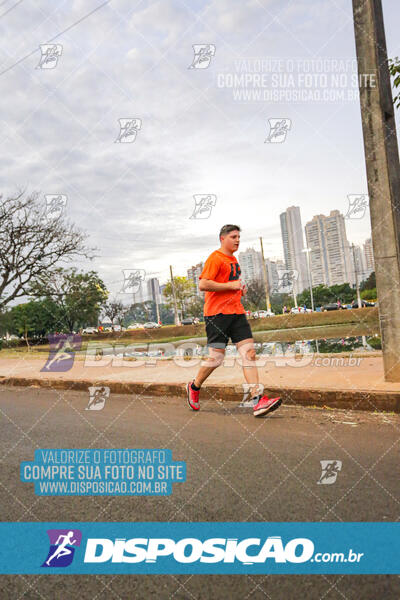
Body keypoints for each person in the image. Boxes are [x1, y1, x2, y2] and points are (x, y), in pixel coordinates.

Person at [186, 224, 282, 417]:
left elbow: (229, 286)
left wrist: (238, 289)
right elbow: (203, 284)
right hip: (216, 315)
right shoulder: (215, 258)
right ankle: (194, 387)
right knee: (216, 358)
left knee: (249, 353)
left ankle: (258, 400)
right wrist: (231, 285)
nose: (237, 240)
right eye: (233, 237)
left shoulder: (233, 260)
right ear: (222, 239)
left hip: (236, 312)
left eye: (238, 237)